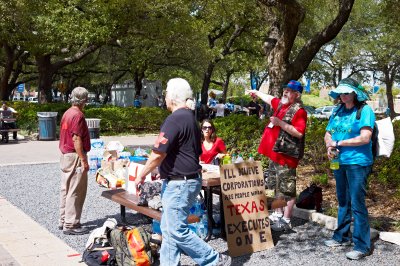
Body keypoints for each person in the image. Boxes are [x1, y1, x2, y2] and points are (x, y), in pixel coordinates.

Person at [135, 78, 231, 266]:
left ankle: (214, 259)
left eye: (166, 93)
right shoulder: (189, 118)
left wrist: (141, 174)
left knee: (176, 229)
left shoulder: (175, 119)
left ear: (173, 96)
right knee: (169, 229)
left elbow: (157, 153)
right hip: (185, 180)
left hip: (180, 183)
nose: (164, 97)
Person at [323, 77, 375, 260]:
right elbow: (328, 133)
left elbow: (365, 138)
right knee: (343, 200)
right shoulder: (337, 110)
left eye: (346, 92)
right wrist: (330, 145)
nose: (343, 96)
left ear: (354, 93)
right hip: (339, 161)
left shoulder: (365, 110)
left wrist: (339, 142)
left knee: (357, 203)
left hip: (357, 163)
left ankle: (362, 246)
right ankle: (341, 236)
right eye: (340, 93)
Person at [246, 80, 307, 232]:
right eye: (285, 89)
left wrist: (280, 123)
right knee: (276, 185)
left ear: (297, 94)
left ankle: (286, 220)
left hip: (286, 156)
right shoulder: (281, 104)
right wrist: (255, 92)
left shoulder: (299, 111)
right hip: (274, 155)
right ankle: (278, 214)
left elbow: (299, 133)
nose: (285, 92)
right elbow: (268, 98)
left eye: (289, 90)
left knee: (287, 188)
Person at [58, 87, 91, 235]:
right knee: (76, 190)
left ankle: (63, 220)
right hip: (75, 155)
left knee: (66, 189)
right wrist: (83, 160)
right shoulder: (78, 115)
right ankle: (71, 224)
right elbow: (76, 138)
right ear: (84, 100)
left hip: (65, 155)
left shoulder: (67, 113)